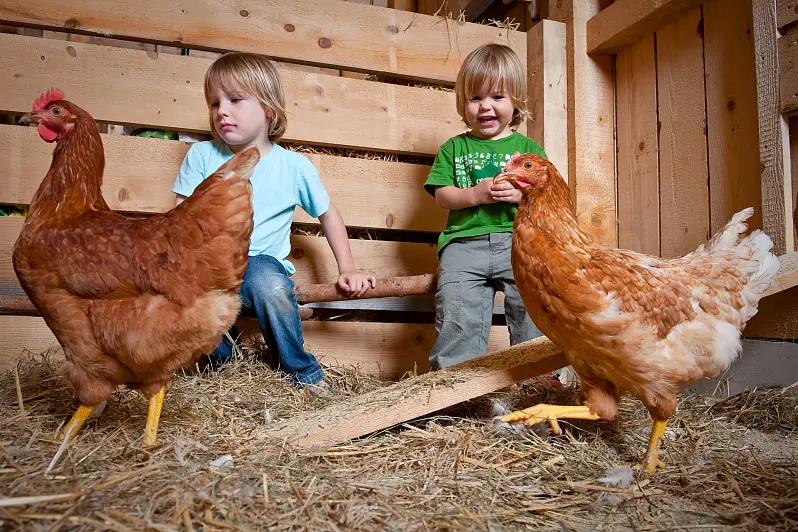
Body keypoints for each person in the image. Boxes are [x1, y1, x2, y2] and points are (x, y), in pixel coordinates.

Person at [173, 52, 375, 393]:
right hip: (209, 263)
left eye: (235, 100)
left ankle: (302, 373)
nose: (221, 111)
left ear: (268, 109)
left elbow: (328, 213)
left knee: (271, 285)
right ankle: (225, 372)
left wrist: (348, 267)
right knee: (191, 293)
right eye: (215, 103)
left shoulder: (293, 166)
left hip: (259, 263)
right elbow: (180, 217)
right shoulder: (202, 156)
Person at [424, 43, 554, 376]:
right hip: (463, 245)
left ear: (515, 100)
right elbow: (442, 196)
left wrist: (521, 196)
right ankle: (454, 386)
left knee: (533, 309)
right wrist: (475, 195)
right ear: (463, 102)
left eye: (497, 96)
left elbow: (548, 197)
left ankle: (538, 379)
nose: (485, 106)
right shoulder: (454, 148)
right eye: (475, 97)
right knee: (457, 313)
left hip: (520, 244)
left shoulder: (529, 149)